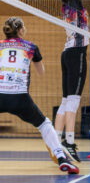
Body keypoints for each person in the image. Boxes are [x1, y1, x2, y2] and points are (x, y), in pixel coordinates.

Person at [0, 17, 79, 174]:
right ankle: (61, 158)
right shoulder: (30, 47)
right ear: (21, 30)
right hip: (20, 98)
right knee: (44, 125)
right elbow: (41, 72)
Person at [52, 0, 90, 163]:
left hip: (66, 54)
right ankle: (69, 143)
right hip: (77, 54)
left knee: (65, 100)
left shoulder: (66, 6)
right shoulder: (74, 3)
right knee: (73, 101)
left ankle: (56, 142)